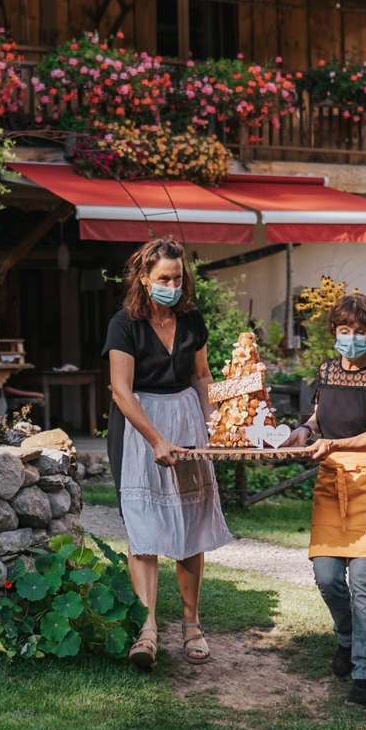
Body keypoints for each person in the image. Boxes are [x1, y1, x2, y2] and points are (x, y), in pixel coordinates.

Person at [104, 237, 231, 671]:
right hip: (140, 423)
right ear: (145, 279)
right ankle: (147, 629)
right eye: (164, 278)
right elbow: (121, 391)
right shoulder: (124, 323)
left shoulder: (192, 320)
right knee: (144, 527)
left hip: (186, 417)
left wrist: (217, 424)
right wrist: (156, 439)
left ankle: (192, 625)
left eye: (177, 278)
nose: (172, 285)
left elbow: (202, 377)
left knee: (190, 524)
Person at [286, 292, 366, 707]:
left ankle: (364, 672)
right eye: (343, 330)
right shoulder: (326, 369)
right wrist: (305, 429)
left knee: (364, 583)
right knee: (327, 577)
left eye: (358, 331)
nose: (350, 338)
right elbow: (320, 414)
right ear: (334, 333)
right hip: (332, 481)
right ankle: (347, 636)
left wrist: (336, 442)